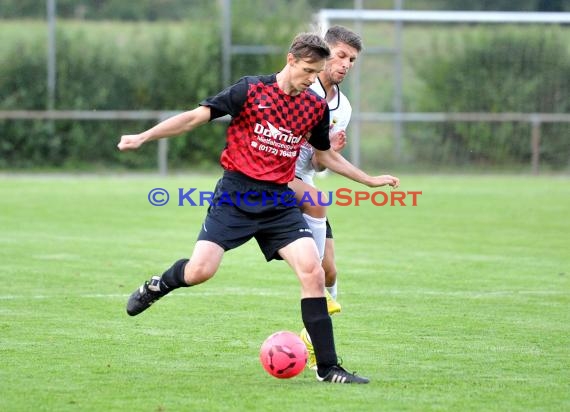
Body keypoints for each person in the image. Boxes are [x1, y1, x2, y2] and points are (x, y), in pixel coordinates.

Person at [117, 32, 399, 384]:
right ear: (291, 59)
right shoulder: (250, 90)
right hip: (236, 196)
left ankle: (328, 368)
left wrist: (368, 180)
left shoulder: (315, 108)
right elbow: (194, 117)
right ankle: (158, 286)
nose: (312, 79)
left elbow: (323, 157)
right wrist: (144, 137)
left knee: (312, 272)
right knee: (200, 271)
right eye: (308, 71)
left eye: (317, 73)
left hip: (278, 200)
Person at [289, 26, 362, 370]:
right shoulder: (303, 85)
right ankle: (321, 325)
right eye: (341, 55)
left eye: (352, 60)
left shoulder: (342, 106)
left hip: (305, 179)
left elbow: (319, 161)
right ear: (323, 52)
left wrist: (330, 150)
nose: (346, 64)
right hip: (277, 177)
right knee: (317, 202)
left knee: (330, 269)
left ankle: (313, 334)